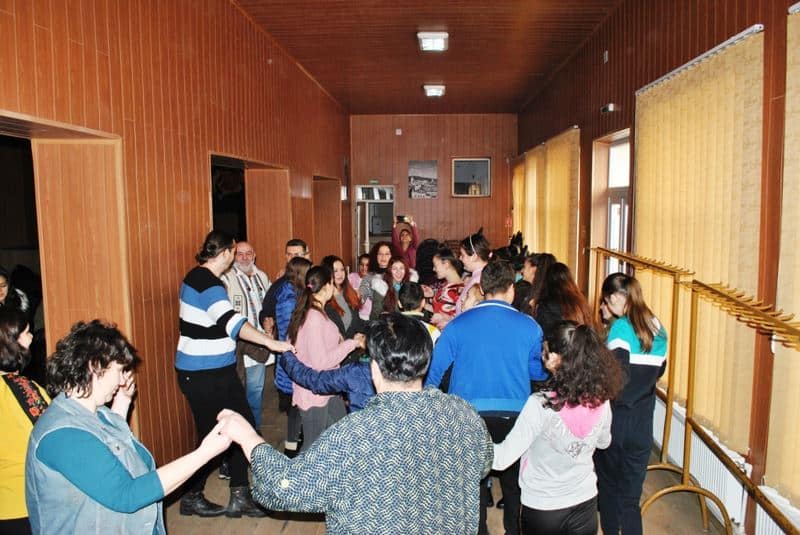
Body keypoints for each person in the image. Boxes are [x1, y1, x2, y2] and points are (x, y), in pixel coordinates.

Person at [218, 313, 494, 534]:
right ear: (425, 362)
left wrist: (247, 436)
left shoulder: (352, 434)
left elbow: (283, 488)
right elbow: (483, 465)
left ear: (374, 369)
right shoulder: (465, 415)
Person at [25, 320, 233, 535]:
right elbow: (127, 495)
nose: (121, 379)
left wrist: (122, 403)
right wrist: (204, 453)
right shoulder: (64, 436)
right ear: (95, 366)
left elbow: (105, 446)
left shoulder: (94, 412)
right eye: (119, 370)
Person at [174, 230, 294, 518]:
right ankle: (193, 496)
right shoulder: (205, 282)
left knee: (240, 427)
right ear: (227, 253)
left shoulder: (201, 278)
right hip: (202, 373)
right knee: (214, 435)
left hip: (217, 371)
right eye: (234, 251)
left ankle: (239, 494)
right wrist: (270, 343)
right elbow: (233, 323)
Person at [426, 260, 547, 535]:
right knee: (515, 484)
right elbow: (538, 371)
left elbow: (434, 372)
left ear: (482, 289)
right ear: (511, 290)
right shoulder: (530, 327)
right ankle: (513, 530)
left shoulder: (457, 325)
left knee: (473, 484)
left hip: (467, 414)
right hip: (515, 415)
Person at [493, 321, 623, 535]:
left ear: (553, 358)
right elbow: (603, 442)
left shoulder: (541, 404)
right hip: (585, 503)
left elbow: (502, 459)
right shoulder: (600, 399)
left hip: (542, 507)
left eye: (544, 349)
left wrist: (471, 439)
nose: (541, 354)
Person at [594, 273, 667, 535]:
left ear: (616, 297)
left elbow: (616, 378)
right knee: (630, 499)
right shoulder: (657, 326)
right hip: (643, 423)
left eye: (606, 300)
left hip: (617, 421)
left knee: (609, 490)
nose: (605, 306)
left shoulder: (620, 329)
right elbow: (659, 371)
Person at [287, 266, 366, 450]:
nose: (334, 286)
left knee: (344, 436)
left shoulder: (314, 310)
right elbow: (320, 363)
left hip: (328, 388)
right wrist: (352, 343)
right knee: (312, 447)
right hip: (315, 392)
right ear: (325, 286)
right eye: (332, 282)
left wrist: (340, 339)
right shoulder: (314, 317)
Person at [1, 308, 48, 535]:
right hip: (23, 503)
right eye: (26, 333)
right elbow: (51, 435)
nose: (31, 338)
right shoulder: (22, 388)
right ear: (11, 342)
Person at [221, 241, 273, 430]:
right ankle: (237, 434)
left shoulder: (262, 276)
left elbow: (270, 302)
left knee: (256, 391)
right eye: (239, 253)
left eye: (248, 253)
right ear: (233, 256)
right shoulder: (226, 278)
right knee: (237, 394)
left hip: (258, 344)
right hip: (236, 345)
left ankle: (254, 431)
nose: (244, 257)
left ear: (254, 255)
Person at [272, 256, 313, 457]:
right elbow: (292, 333)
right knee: (295, 412)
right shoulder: (288, 299)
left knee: (297, 414)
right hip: (291, 363)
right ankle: (291, 455)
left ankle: (294, 450)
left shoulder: (296, 293)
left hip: (295, 361)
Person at [532, 262, 594, 339]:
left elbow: (544, 335)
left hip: (558, 344)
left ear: (546, 281)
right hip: (580, 343)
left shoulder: (545, 304)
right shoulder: (580, 301)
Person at [321, 255, 367, 344]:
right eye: (335, 271)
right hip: (338, 348)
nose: (340, 274)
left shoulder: (349, 292)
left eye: (342, 270)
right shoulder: (324, 300)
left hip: (353, 346)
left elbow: (357, 322)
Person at [456, 229, 491, 315]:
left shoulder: (480, 279)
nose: (460, 258)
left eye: (462, 255)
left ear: (474, 256)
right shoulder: (477, 276)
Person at [358, 241, 395, 319]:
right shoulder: (369, 276)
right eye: (380, 254)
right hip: (376, 319)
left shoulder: (397, 273)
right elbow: (361, 295)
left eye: (387, 254)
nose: (383, 257)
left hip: (397, 319)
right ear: (375, 256)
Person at [430, 247, 465, 329]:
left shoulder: (460, 290)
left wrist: (448, 320)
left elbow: (464, 319)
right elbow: (439, 310)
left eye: (435, 265)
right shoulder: (445, 284)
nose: (433, 269)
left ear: (446, 264)